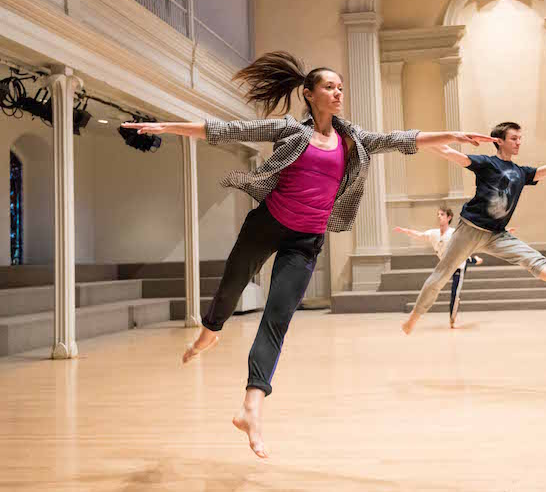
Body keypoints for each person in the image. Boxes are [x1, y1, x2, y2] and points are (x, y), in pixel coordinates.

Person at [122, 51, 498, 459]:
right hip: (267, 224)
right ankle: (209, 332)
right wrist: (167, 126)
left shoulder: (352, 138)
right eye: (329, 87)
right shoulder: (289, 130)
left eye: (340, 88)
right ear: (309, 94)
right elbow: (228, 130)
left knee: (277, 319)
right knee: (229, 290)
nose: (338, 93)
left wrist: (452, 135)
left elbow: (401, 139)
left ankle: (252, 405)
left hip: (306, 240)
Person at [401, 121, 546, 335]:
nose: (518, 142)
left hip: (497, 235)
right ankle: (414, 318)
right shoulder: (487, 164)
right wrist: (417, 138)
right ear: (499, 141)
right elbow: (449, 152)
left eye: (520, 138)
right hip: (469, 230)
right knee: (441, 275)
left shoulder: (521, 173)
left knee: (534, 259)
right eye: (514, 138)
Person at [393, 207, 484, 328]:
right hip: (445, 266)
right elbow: (419, 235)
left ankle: (452, 320)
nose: (439, 217)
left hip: (458, 266)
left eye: (442, 214)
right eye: (438, 214)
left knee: (455, 294)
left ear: (449, 217)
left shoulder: (454, 232)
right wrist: (405, 231)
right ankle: (474, 259)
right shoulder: (433, 233)